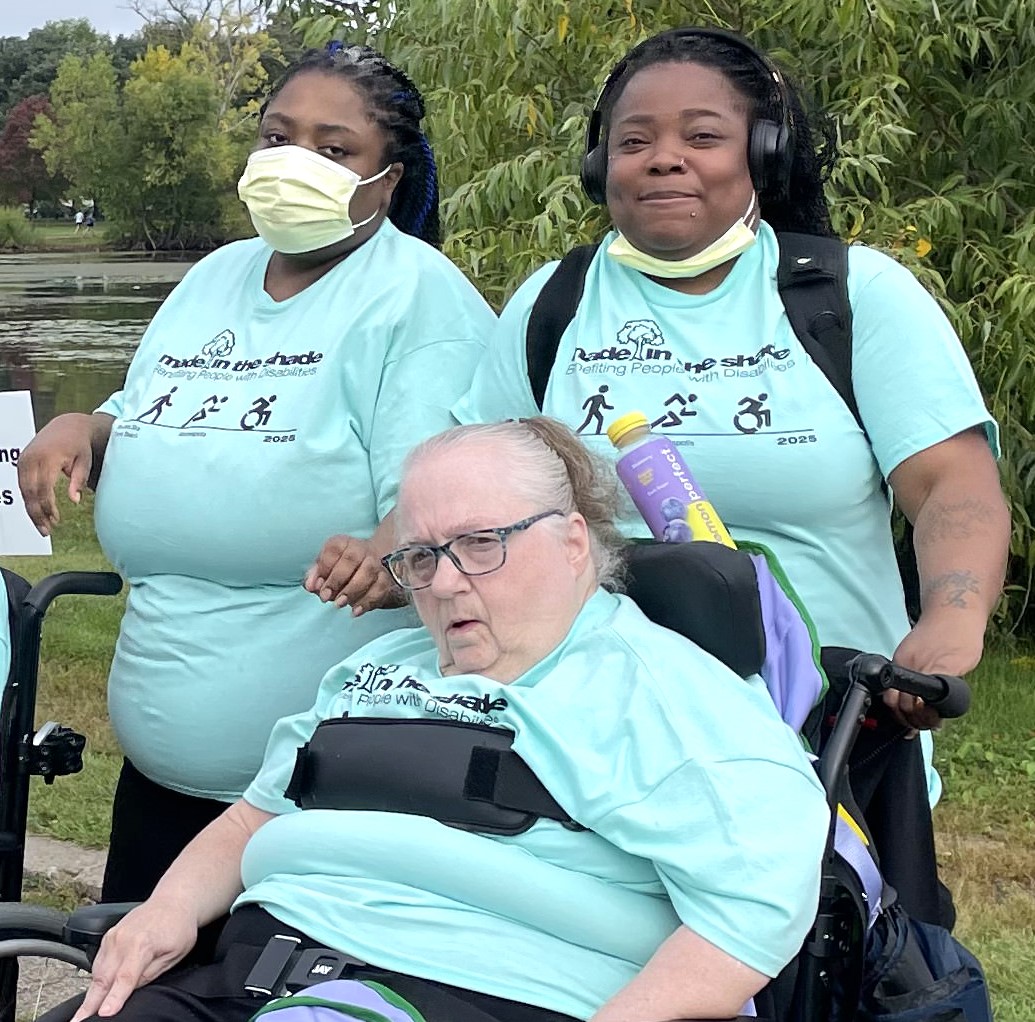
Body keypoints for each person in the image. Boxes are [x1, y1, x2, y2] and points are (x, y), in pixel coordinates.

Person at [71, 418, 830, 1022]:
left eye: (478, 543)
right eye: (421, 557)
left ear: (572, 542)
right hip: (255, 974)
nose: (443, 583)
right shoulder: (377, 669)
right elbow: (252, 818)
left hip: (481, 989)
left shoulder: (655, 694)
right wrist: (166, 910)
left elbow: (750, 913)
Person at [454, 28, 1009, 794]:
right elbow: (474, 496)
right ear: (599, 166)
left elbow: (952, 484)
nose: (663, 158)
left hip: (826, 745)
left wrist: (950, 621)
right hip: (591, 741)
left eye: (702, 136)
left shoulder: (852, 298)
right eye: (633, 141)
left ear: (764, 154)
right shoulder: (552, 304)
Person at [17, 44, 496, 907]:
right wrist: (79, 426)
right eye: (278, 137)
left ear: (388, 179)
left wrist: (389, 550)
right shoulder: (212, 277)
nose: (294, 162)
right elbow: (147, 413)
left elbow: (452, 499)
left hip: (328, 799)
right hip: (161, 791)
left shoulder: (418, 298)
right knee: (135, 971)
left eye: (333, 148)